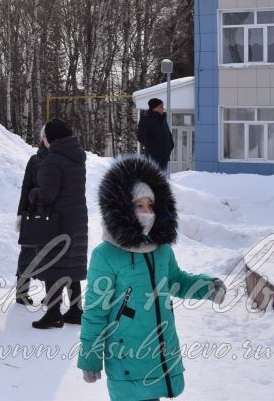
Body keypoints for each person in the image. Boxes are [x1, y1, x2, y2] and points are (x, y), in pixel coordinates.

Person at [78, 156, 226, 400]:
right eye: (139, 205)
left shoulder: (161, 250)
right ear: (122, 207)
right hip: (126, 359)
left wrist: (206, 287)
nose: (147, 212)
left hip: (160, 356)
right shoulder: (106, 255)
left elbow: (176, 280)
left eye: (150, 205)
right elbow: (95, 312)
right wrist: (90, 356)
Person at [28, 118, 88, 329]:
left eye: (45, 137)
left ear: (50, 139)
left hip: (57, 222)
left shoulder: (52, 161)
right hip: (77, 219)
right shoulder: (77, 158)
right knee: (71, 265)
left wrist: (33, 193)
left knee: (52, 265)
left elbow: (47, 195)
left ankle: (53, 313)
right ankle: (75, 310)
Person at [15, 126, 48, 306]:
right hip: (34, 213)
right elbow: (25, 187)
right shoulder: (34, 160)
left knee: (50, 253)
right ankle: (21, 292)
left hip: (51, 215)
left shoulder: (58, 160)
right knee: (28, 252)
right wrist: (21, 214)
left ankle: (51, 293)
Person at [136, 98, 174, 173]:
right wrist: (154, 147)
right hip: (153, 157)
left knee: (162, 179)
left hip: (164, 157)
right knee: (153, 181)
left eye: (163, 106)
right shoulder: (146, 119)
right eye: (161, 107)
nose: (163, 109)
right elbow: (140, 136)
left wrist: (171, 145)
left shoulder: (163, 119)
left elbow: (168, 134)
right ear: (154, 108)